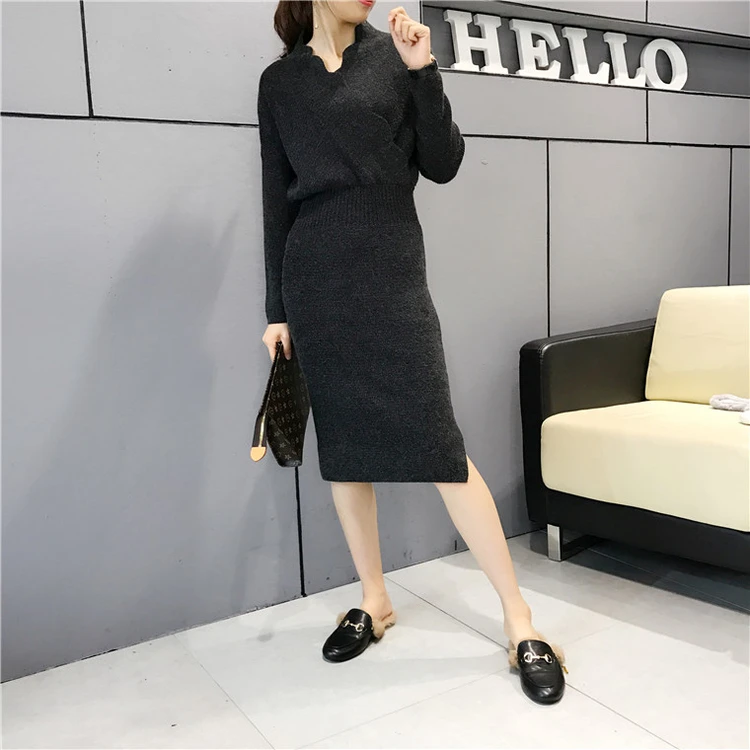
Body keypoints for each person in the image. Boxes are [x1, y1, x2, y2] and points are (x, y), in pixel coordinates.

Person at [257, 0, 566, 704]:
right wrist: (277, 309)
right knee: (344, 450)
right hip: (316, 280)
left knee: (440, 446)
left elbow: (445, 163)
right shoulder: (279, 83)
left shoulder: (395, 58)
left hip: (391, 271)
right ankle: (375, 599)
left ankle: (519, 619)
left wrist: (424, 71)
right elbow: (277, 197)